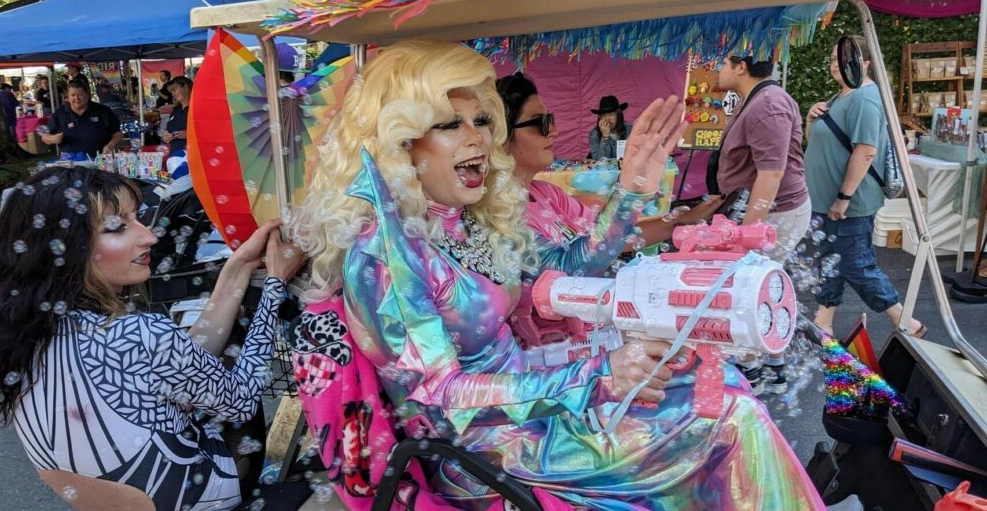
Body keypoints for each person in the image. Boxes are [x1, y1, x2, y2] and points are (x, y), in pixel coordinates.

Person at [293, 40, 821, 509]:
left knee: (721, 387)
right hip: (482, 449)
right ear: (401, 143)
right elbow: (440, 398)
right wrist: (597, 376)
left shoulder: (466, 221)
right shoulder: (385, 253)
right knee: (731, 420)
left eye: (482, 121)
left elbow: (571, 263)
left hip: (535, 405)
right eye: (451, 125)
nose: (477, 138)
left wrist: (632, 189)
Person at [0, 166, 306, 509]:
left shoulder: (25, 339)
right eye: (117, 226)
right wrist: (275, 284)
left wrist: (238, 268)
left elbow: (182, 360)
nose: (149, 236)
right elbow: (242, 400)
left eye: (136, 218)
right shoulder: (139, 334)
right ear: (69, 249)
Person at [497, 72, 724, 346]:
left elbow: (610, 236)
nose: (554, 131)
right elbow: (570, 269)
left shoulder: (546, 194)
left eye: (552, 120)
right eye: (541, 123)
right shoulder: (496, 215)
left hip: (590, 339)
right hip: (548, 361)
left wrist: (679, 221)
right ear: (502, 135)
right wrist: (630, 192)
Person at [805, 36, 926, 338]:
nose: (835, 64)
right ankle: (824, 319)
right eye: (833, 58)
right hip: (826, 200)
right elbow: (817, 141)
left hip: (850, 203)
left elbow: (865, 151)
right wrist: (810, 117)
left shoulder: (864, 98)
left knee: (856, 264)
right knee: (829, 259)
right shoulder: (839, 97)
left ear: (865, 63)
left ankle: (904, 318)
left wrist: (843, 197)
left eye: (842, 59)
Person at [713, 55, 810, 393]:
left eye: (723, 63)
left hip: (775, 213)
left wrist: (745, 234)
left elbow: (771, 174)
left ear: (741, 67)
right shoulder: (757, 100)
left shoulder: (768, 105)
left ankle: (752, 371)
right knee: (762, 289)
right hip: (765, 210)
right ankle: (771, 368)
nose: (718, 70)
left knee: (750, 290)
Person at [41, 80, 123, 158]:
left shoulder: (103, 111)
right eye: (73, 95)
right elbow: (44, 136)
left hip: (99, 159)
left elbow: (117, 133)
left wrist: (110, 145)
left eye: (80, 95)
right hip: (69, 162)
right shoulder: (59, 114)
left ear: (87, 95)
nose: (76, 98)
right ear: (68, 97)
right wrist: (52, 139)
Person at [588, 95, 629, 159]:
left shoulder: (630, 130)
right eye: (603, 115)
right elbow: (598, 162)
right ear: (600, 117)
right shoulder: (594, 134)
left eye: (611, 114)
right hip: (603, 169)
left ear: (618, 115)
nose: (607, 119)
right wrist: (605, 137)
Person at [162, 75, 192, 153]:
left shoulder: (197, 108)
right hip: (175, 155)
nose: (173, 94)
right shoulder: (175, 111)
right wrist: (166, 137)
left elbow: (208, 131)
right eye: (171, 92)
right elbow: (169, 130)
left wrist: (189, 134)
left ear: (185, 87)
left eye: (174, 90)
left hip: (193, 155)